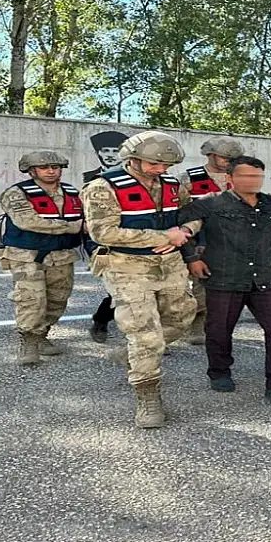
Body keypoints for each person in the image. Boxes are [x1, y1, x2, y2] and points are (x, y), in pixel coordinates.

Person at [81, 131, 197, 428]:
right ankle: (148, 396)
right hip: (126, 266)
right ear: (131, 159)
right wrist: (161, 236)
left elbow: (193, 212)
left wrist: (185, 232)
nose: (161, 170)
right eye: (154, 164)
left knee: (183, 318)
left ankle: (130, 354)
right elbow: (102, 233)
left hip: (169, 263)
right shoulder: (102, 188)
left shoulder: (172, 184)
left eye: (165, 165)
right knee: (145, 334)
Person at [176, 156, 271, 404]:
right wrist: (192, 259)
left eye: (257, 176)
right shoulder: (210, 203)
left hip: (266, 278)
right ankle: (219, 372)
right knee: (219, 330)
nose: (253, 181)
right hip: (224, 277)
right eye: (246, 175)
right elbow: (184, 230)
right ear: (230, 178)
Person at [0, 151, 84, 366]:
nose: (51, 171)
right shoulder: (16, 193)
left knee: (57, 300)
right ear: (32, 171)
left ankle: (42, 335)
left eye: (55, 167)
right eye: (45, 168)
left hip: (62, 256)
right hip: (27, 256)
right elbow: (28, 221)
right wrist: (74, 227)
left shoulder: (73, 193)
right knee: (31, 300)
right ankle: (29, 343)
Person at [178, 137, 246, 345]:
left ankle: (209, 326)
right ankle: (177, 328)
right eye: (225, 157)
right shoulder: (188, 179)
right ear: (210, 154)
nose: (229, 161)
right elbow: (178, 211)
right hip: (197, 239)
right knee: (192, 288)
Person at [83, 130, 129, 343]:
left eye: (115, 151)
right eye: (105, 151)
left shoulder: (135, 178)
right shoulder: (92, 179)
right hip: (103, 240)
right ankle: (101, 320)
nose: (110, 155)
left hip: (133, 238)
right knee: (120, 290)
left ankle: (148, 337)